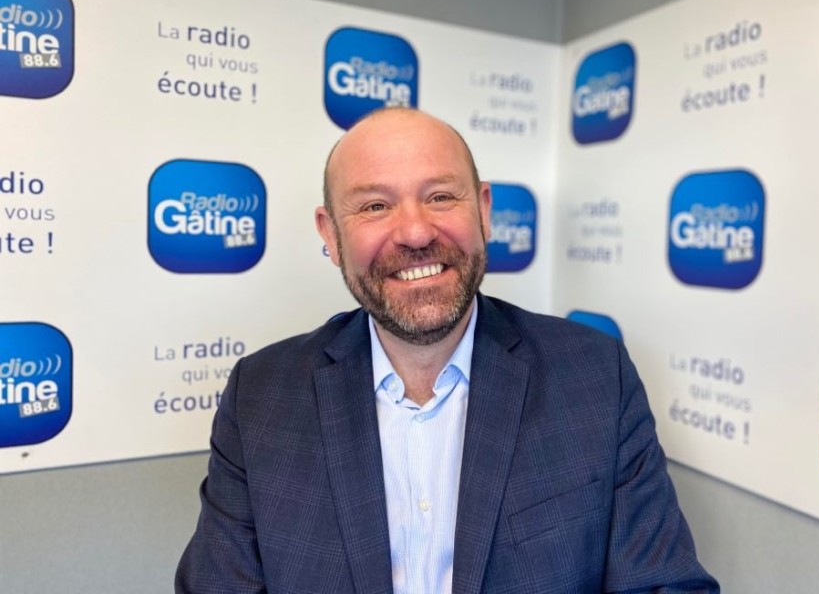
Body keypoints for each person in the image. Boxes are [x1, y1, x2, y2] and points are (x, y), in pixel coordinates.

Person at [176, 108, 719, 593]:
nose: (415, 232)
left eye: (440, 197)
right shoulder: (260, 397)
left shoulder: (596, 377)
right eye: (375, 205)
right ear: (332, 234)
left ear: (483, 211)